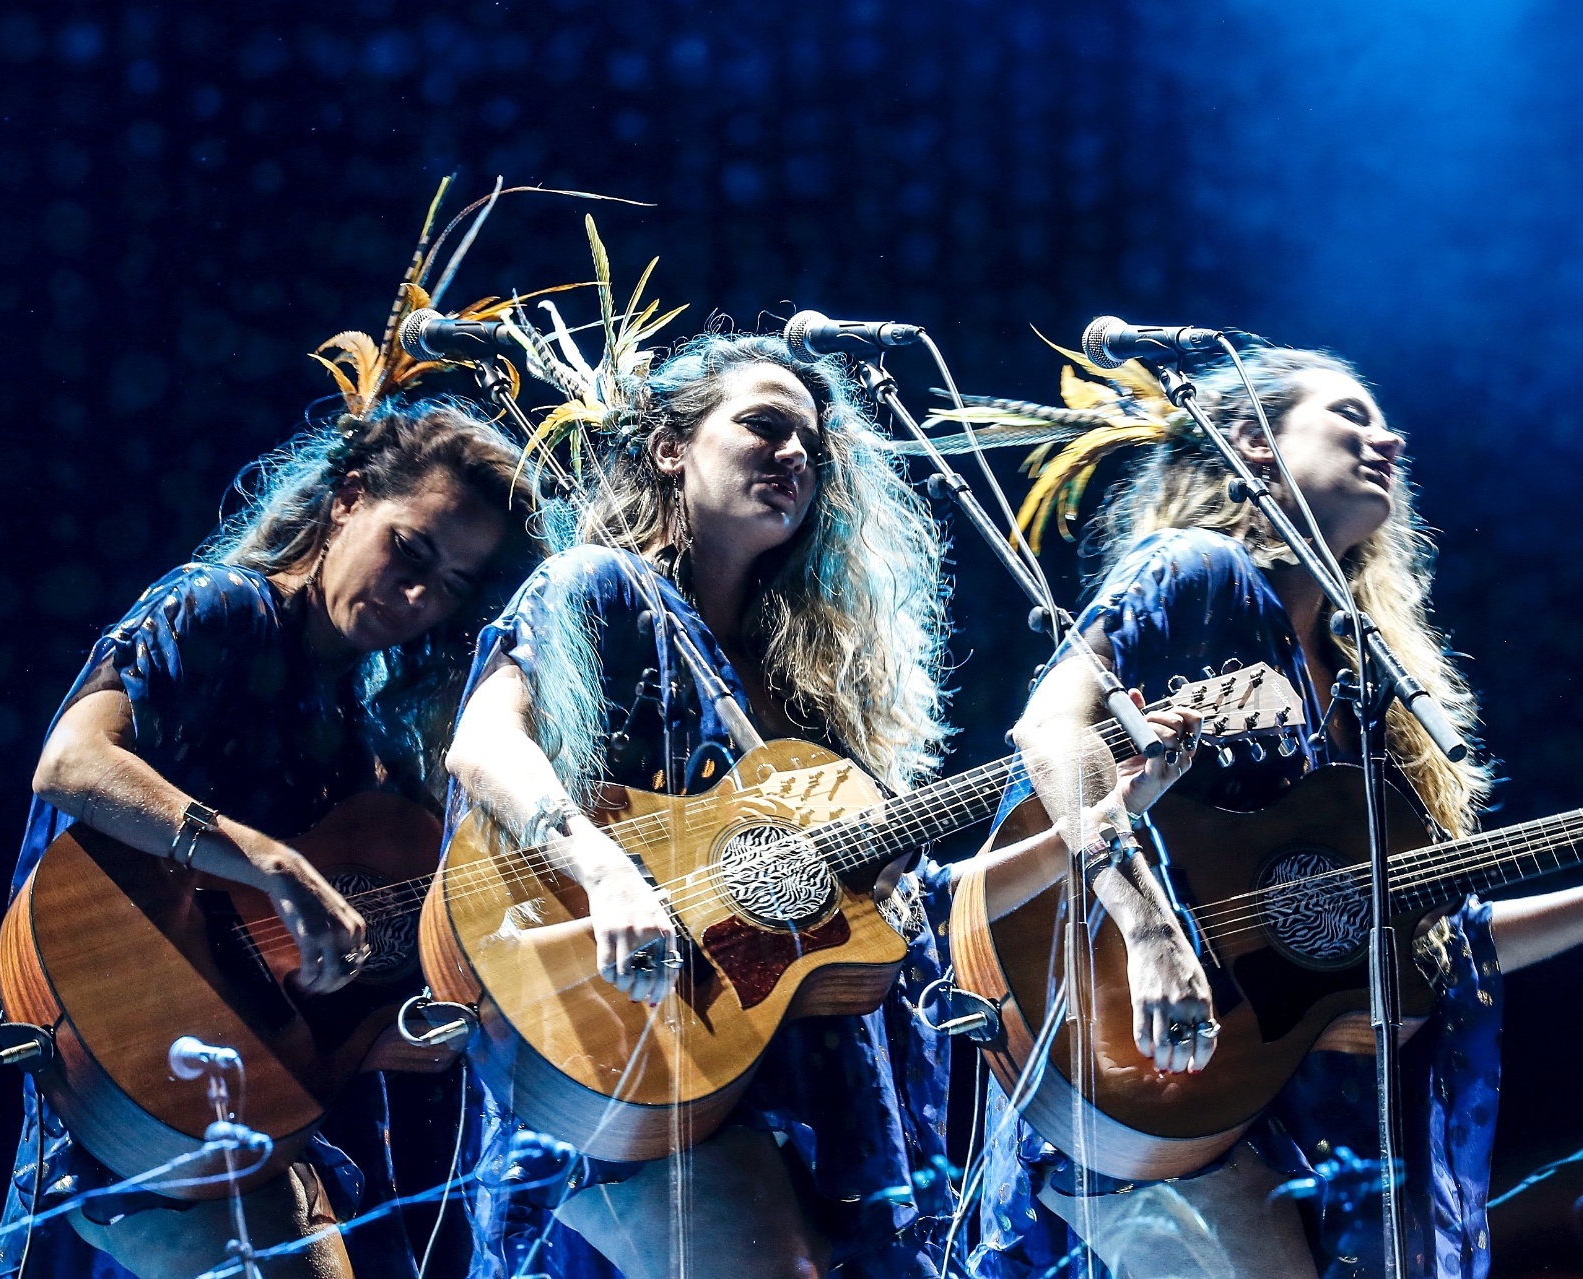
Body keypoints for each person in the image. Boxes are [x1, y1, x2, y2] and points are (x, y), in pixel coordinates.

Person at [966, 345, 1583, 1279]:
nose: (1387, 437)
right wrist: (1149, 927)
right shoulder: (1198, 571)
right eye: (1349, 415)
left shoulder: (1364, 685)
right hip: (1146, 1066)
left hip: (1280, 1102)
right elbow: (1049, 725)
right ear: (1251, 444)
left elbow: (1441, 937)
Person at [442, 331, 1207, 1279]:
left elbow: (924, 906)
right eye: (764, 426)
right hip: (640, 1041)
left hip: (800, 1073)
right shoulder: (595, 585)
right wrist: (605, 870)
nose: (796, 455)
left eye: (814, 444)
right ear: (669, 447)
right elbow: (483, 743)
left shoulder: (808, 695)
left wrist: (1110, 808)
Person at [0, 397, 543, 1279]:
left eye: (452, 587)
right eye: (411, 551)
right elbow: (71, 760)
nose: (416, 597)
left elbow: (303, 972)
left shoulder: (364, 736)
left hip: (259, 1097)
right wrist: (266, 857)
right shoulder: (220, 608)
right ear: (347, 500)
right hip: (126, 1048)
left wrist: (391, 1024)